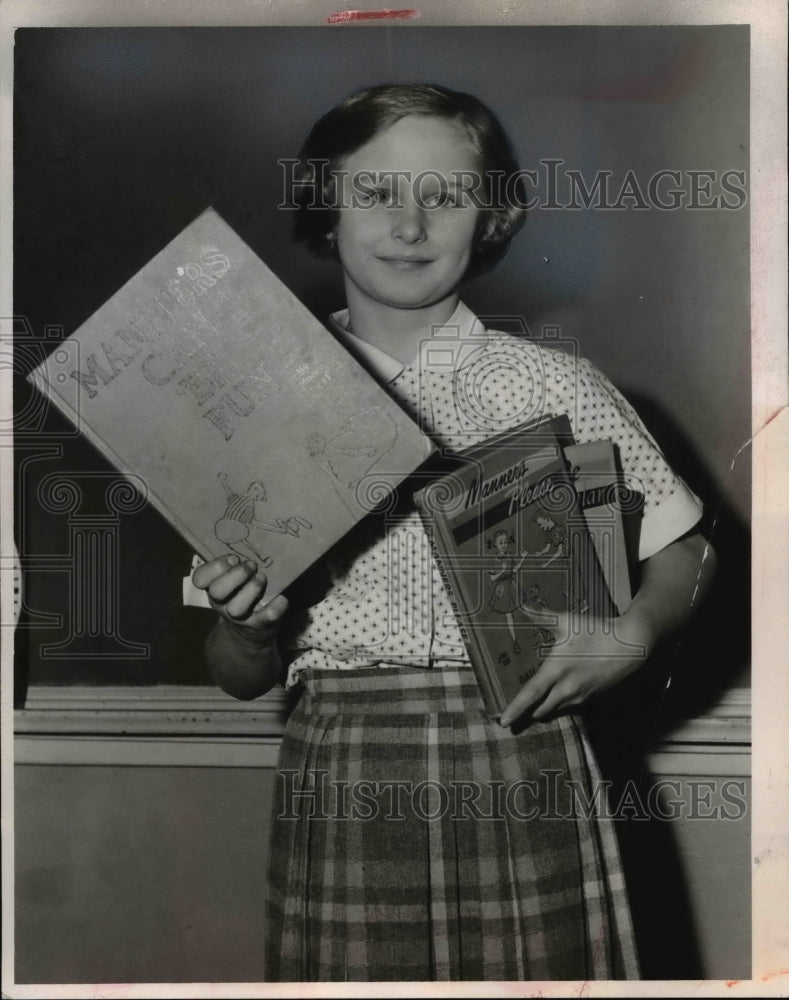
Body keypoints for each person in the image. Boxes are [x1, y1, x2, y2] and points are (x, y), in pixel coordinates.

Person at [189, 84, 715, 981]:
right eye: (377, 193)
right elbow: (238, 675)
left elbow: (688, 553)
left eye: (443, 196)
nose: (409, 223)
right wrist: (246, 627)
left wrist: (630, 632)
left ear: (490, 216)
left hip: (525, 750)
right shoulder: (261, 403)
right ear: (326, 204)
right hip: (348, 767)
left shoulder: (558, 387)